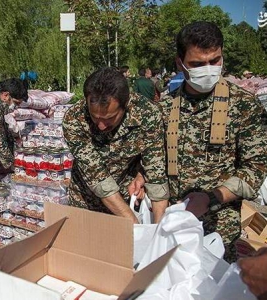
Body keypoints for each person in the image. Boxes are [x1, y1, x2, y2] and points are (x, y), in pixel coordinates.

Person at [134, 21, 267, 262]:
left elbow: (255, 169)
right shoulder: (164, 107)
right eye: (197, 64)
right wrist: (142, 178)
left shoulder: (244, 105)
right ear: (180, 63)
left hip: (220, 232)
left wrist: (212, 197)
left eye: (214, 61)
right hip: (172, 224)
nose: (208, 69)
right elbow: (154, 160)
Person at [62, 67, 169, 223]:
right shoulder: (74, 119)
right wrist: (135, 227)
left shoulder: (147, 114)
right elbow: (98, 178)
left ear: (125, 104)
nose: (101, 126)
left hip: (126, 199)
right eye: (95, 117)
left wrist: (160, 232)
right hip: (85, 203)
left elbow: (156, 173)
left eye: (109, 118)